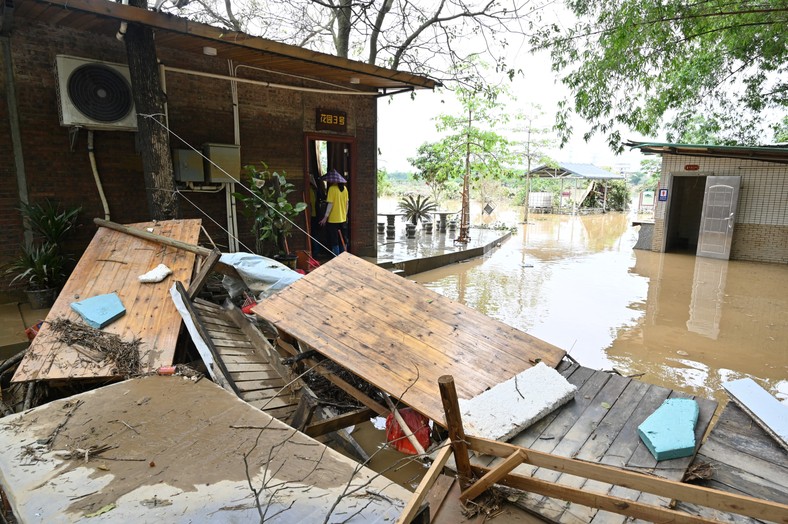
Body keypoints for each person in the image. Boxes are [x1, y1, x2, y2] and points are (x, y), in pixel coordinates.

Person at [319, 169, 349, 255]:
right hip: (343, 219)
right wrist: (345, 215)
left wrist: (325, 217)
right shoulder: (345, 189)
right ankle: (344, 256)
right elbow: (347, 204)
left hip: (333, 220)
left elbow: (330, 205)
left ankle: (336, 257)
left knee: (334, 240)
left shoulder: (332, 189)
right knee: (342, 239)